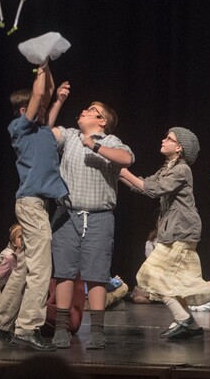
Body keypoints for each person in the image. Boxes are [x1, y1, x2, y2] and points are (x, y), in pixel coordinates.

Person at [0, 61, 68, 351]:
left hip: (36, 204)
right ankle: (27, 327)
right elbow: (37, 96)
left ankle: (0, 320)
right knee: (42, 268)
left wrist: (57, 98)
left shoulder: (43, 131)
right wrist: (41, 66)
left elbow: (48, 94)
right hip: (31, 203)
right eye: (40, 108)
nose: (43, 109)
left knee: (27, 266)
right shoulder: (21, 128)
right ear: (25, 112)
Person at [47, 82, 135, 350]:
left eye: (91, 110)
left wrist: (94, 146)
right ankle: (61, 328)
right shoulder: (71, 135)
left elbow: (126, 159)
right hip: (67, 214)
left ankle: (97, 330)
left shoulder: (110, 141)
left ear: (102, 120)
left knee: (96, 274)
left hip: (99, 217)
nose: (83, 111)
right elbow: (43, 134)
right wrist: (58, 101)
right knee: (64, 273)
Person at [120, 127, 210, 340]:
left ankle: (184, 320)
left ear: (179, 148)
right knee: (171, 280)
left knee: (150, 273)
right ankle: (187, 321)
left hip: (181, 229)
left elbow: (153, 189)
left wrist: (124, 172)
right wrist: (118, 173)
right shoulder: (168, 167)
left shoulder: (182, 170)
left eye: (169, 138)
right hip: (174, 229)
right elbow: (144, 186)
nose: (163, 140)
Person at [0, 223, 22, 290]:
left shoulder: (25, 256)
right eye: (20, 237)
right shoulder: (9, 257)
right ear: (13, 242)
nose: (24, 239)